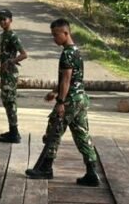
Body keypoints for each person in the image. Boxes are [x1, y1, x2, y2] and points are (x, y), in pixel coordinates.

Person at [25, 19, 100, 186]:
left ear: (66, 33)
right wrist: (54, 91)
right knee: (82, 135)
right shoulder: (76, 52)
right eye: (52, 35)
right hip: (81, 99)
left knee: (54, 130)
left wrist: (60, 102)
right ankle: (92, 172)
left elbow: (66, 80)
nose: (54, 38)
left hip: (70, 100)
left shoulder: (67, 54)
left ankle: (46, 168)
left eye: (56, 35)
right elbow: (73, 80)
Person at [0, 9, 28, 143]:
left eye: (4, 19)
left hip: (10, 74)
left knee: (10, 101)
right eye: (0, 19)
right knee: (6, 101)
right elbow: (6, 52)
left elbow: (24, 54)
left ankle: (14, 132)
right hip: (4, 73)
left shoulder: (12, 36)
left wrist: (11, 61)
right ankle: (12, 130)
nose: (2, 22)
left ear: (10, 20)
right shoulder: (3, 35)